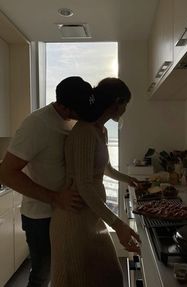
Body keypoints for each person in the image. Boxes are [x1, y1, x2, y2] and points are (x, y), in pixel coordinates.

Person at [0, 76, 92, 287]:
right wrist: (55, 198)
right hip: (40, 218)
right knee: (42, 275)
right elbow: (6, 173)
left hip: (62, 213)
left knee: (61, 272)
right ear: (63, 106)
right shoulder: (37, 124)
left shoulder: (69, 120)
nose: (81, 115)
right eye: (78, 110)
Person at [50, 77, 141, 287]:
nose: (125, 109)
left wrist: (127, 179)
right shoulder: (84, 131)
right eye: (125, 104)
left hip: (91, 216)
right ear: (117, 102)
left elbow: (103, 168)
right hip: (74, 222)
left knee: (110, 277)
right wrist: (118, 225)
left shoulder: (101, 130)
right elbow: (84, 184)